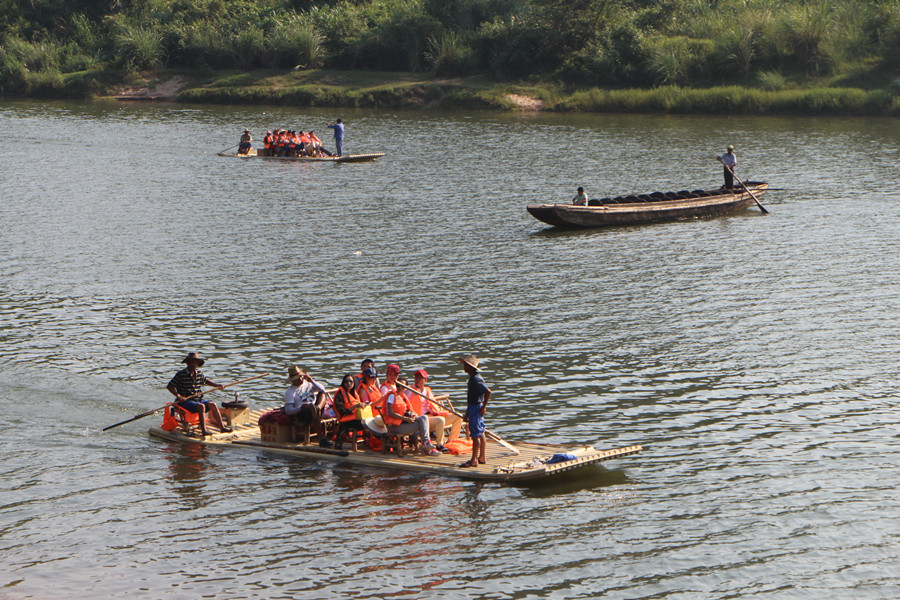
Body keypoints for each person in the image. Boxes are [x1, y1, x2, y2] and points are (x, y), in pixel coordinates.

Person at [381, 364, 440, 456]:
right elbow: (391, 413)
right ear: (396, 386)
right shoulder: (392, 396)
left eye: (403, 386)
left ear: (406, 388)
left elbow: (410, 410)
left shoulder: (404, 397)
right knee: (422, 424)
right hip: (395, 426)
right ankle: (427, 447)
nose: (400, 388)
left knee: (424, 418)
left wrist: (413, 415)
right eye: (398, 386)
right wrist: (405, 419)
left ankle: (426, 443)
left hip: (404, 423)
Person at [167, 351, 229, 436]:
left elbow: (205, 381)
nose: (193, 364)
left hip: (198, 399)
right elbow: (170, 386)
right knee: (201, 406)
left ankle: (222, 428)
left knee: (213, 404)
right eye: (191, 362)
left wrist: (216, 385)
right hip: (186, 401)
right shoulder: (181, 374)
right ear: (188, 363)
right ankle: (204, 431)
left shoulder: (199, 373)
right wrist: (179, 396)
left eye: (195, 362)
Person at [405, 369, 462, 452]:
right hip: (421, 420)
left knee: (458, 416)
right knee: (440, 420)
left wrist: (436, 412)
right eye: (416, 377)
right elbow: (404, 403)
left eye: (420, 378)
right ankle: (439, 445)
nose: (418, 379)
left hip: (432, 416)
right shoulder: (410, 391)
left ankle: (451, 442)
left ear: (425, 380)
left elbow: (432, 404)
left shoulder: (427, 390)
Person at [284, 365, 331, 446]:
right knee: (312, 411)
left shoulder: (308, 383)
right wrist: (300, 408)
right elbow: (288, 410)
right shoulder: (290, 392)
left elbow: (322, 389)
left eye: (301, 377)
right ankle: (321, 438)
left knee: (322, 394)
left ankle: (317, 408)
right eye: (297, 378)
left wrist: (312, 381)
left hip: (315, 406)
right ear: (293, 380)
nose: (300, 379)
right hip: (303, 412)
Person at [458, 354, 490, 467]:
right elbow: (471, 398)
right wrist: (467, 414)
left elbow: (488, 392)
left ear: (471, 367)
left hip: (476, 407)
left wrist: (484, 406)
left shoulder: (476, 379)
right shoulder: (473, 378)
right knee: (481, 432)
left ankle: (474, 459)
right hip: (474, 406)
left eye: (466, 365)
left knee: (476, 434)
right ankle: (482, 457)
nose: (464, 367)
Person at [332, 373, 366, 448]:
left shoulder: (353, 393)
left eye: (351, 381)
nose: (349, 383)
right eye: (346, 381)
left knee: (371, 422)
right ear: (343, 383)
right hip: (346, 421)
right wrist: (356, 406)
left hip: (355, 419)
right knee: (367, 424)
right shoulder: (340, 395)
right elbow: (343, 412)